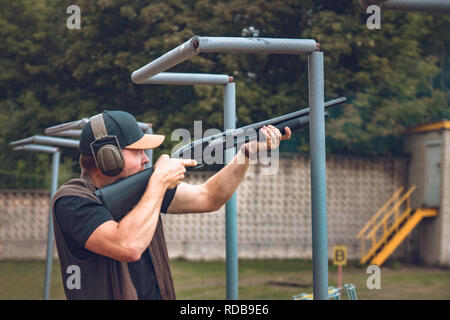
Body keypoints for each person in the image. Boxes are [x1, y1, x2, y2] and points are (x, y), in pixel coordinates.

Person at [52, 110, 291, 300]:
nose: (146, 158)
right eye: (138, 151)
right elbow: (127, 246)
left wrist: (246, 154)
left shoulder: (143, 189)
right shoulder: (72, 200)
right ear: (108, 155)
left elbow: (209, 197)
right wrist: (158, 183)